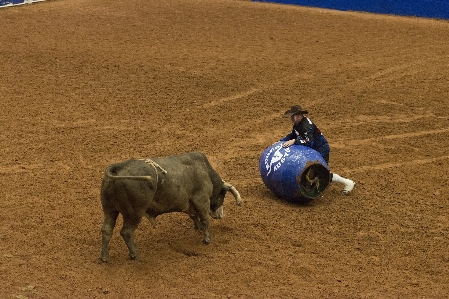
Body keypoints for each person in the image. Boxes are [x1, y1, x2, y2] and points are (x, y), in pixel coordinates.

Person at [280, 105, 355, 195]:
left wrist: (294, 141)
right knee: (315, 173)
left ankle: (348, 183)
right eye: (291, 116)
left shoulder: (306, 126)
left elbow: (308, 142)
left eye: (293, 116)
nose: (291, 118)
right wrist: (281, 141)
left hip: (321, 150)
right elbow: (293, 134)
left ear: (299, 115)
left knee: (320, 173)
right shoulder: (297, 124)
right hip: (313, 151)